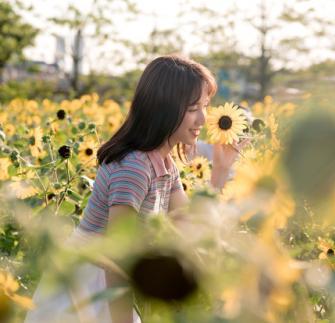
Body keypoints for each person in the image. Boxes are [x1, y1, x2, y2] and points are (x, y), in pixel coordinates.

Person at [25, 55, 244, 323]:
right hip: (85, 288)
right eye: (192, 108)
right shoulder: (134, 167)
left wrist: (220, 170)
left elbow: (192, 231)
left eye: (205, 106)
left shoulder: (164, 164)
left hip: (109, 286)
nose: (203, 118)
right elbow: (116, 256)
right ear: (163, 108)